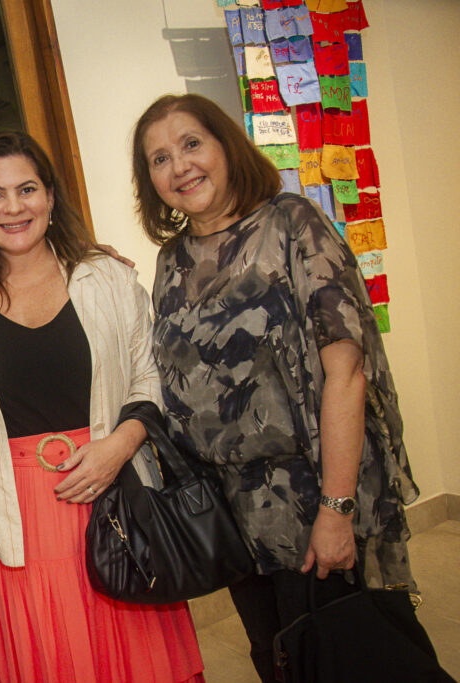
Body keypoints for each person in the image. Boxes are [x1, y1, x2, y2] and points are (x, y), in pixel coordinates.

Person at [132, 93, 422, 683]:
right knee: (278, 659)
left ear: (225, 146)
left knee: (345, 657)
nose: (179, 165)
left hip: (310, 498)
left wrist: (337, 510)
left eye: (191, 144)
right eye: (159, 158)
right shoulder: (169, 264)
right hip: (231, 517)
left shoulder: (292, 224)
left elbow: (346, 372)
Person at [0, 131, 205, 682]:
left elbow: (150, 378)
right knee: (56, 659)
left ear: (49, 196)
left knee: (137, 661)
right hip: (16, 516)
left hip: (116, 494)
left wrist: (118, 447)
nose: (13, 207)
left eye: (26, 189)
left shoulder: (109, 279)